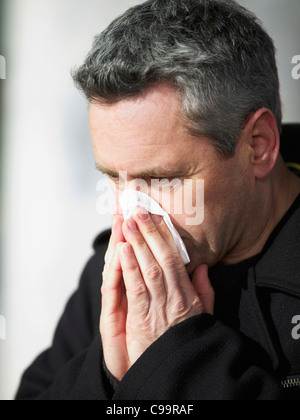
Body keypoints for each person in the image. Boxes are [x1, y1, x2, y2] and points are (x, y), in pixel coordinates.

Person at [16, 0, 300, 400]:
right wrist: (110, 375)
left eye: (160, 179)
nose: (130, 215)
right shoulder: (116, 271)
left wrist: (176, 359)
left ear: (258, 146)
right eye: (113, 177)